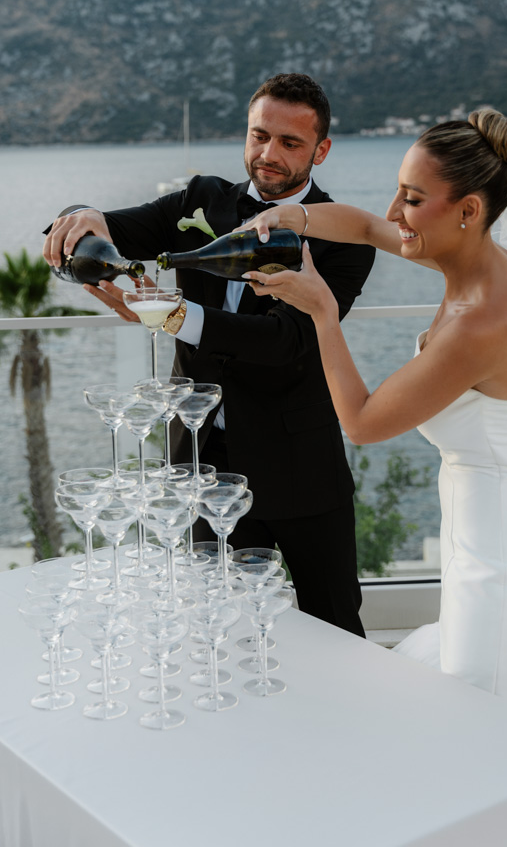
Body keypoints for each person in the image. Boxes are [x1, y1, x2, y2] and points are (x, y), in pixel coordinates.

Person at [240, 108, 507, 846]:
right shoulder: (480, 256)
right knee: (489, 709)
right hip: (498, 528)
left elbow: (363, 422)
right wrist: (292, 216)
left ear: (468, 210)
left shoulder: (479, 323)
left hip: (504, 553)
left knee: (482, 727)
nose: (394, 212)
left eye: (412, 198)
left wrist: (322, 316)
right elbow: (365, 227)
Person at [43, 73, 375, 637]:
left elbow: (286, 340)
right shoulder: (200, 200)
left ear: (320, 151)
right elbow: (106, 228)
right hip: (201, 468)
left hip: (300, 470)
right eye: (259, 136)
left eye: (290, 143)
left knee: (336, 627)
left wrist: (170, 315)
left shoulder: (342, 235)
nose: (268, 154)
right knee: (216, 632)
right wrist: (84, 215)